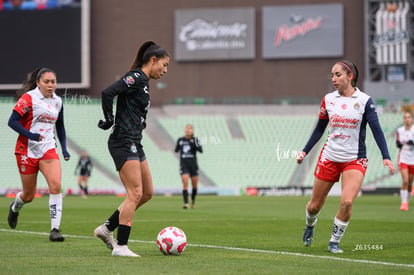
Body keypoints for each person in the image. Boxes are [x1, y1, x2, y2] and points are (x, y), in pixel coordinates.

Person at [296, 60, 395, 253]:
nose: (334, 79)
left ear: (350, 76)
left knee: (347, 201)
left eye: (338, 75)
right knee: (315, 206)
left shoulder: (365, 101)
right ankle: (309, 226)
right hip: (329, 157)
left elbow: (377, 130)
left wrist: (386, 155)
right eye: (332, 75)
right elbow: (319, 129)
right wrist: (305, 151)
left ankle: (334, 241)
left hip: (355, 159)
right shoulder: (329, 99)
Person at [94, 41, 170, 257]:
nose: (164, 71)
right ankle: (121, 246)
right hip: (123, 140)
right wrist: (109, 119)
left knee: (146, 193)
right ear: (152, 60)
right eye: (163, 66)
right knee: (134, 193)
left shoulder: (144, 82)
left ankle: (106, 229)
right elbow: (108, 92)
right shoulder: (136, 77)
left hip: (135, 141)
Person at [7, 67, 70, 242]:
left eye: (53, 82)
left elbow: (61, 126)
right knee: (29, 195)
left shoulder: (57, 101)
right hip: (26, 150)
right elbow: (12, 121)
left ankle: (55, 229)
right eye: (46, 82)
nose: (51, 85)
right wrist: (31, 135)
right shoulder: (29, 98)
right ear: (38, 83)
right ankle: (15, 207)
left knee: (56, 186)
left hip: (48, 149)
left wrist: (63, 148)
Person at [175, 124, 203, 209]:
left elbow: (201, 150)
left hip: (193, 165)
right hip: (184, 165)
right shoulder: (180, 140)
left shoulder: (195, 140)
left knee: (195, 186)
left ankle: (193, 201)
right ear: (184, 130)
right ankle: (186, 203)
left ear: (192, 131)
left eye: (190, 128)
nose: (188, 130)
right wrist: (178, 146)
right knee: (185, 183)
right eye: (187, 128)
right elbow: (176, 150)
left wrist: (193, 144)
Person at [396, 111, 414, 211]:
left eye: (409, 117)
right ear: (403, 120)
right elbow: (397, 141)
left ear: (411, 119)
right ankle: (404, 203)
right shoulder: (400, 130)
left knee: (410, 183)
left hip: (413, 160)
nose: (407, 119)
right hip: (403, 158)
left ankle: (406, 200)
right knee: (405, 181)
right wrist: (399, 144)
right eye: (405, 117)